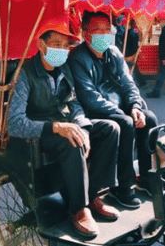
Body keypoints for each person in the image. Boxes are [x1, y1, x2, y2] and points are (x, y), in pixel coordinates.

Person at [8, 19, 121, 239]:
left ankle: (92, 195)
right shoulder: (25, 73)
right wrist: (56, 127)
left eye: (65, 45)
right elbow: (15, 123)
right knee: (72, 141)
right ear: (41, 45)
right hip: (42, 131)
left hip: (67, 124)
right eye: (56, 44)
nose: (61, 50)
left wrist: (83, 128)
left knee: (111, 129)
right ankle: (78, 208)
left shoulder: (65, 68)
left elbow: (74, 103)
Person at [68, 11, 158, 209]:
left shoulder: (114, 52)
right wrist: (124, 113)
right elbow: (89, 97)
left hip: (118, 106)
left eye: (107, 30)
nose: (103, 34)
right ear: (85, 33)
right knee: (125, 123)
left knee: (149, 118)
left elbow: (128, 83)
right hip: (94, 111)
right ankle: (123, 186)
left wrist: (135, 106)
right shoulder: (77, 58)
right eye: (97, 30)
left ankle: (145, 175)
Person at [114, 15, 145, 87]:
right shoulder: (130, 31)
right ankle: (141, 82)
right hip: (129, 54)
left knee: (128, 69)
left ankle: (129, 83)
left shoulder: (132, 33)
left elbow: (133, 46)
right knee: (133, 69)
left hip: (130, 54)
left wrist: (132, 56)